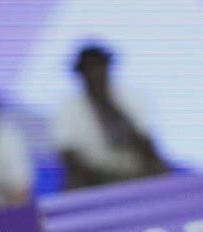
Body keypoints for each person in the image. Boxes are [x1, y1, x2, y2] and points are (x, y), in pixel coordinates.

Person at [50, 44, 165, 190]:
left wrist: (109, 106)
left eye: (99, 67)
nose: (95, 74)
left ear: (108, 68)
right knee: (74, 181)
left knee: (160, 169)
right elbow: (67, 153)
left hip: (134, 170)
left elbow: (146, 142)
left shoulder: (133, 97)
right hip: (93, 176)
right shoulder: (68, 108)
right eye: (88, 69)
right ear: (80, 74)